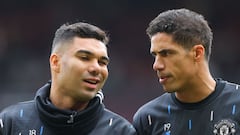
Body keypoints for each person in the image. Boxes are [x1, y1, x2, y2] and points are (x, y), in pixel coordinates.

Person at [0, 22, 136, 135]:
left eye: (102, 62)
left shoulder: (120, 131)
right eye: (84, 58)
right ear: (55, 62)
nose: (96, 68)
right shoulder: (12, 122)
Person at [133, 8, 240, 135]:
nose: (156, 66)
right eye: (154, 55)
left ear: (197, 53)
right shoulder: (148, 119)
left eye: (166, 53)